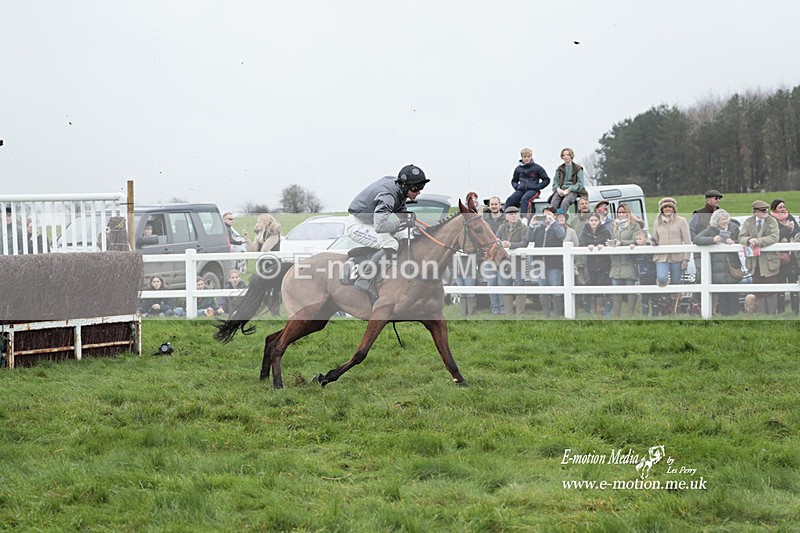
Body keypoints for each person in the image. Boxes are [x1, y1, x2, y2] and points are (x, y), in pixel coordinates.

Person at [346, 164, 427, 301]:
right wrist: (402, 222)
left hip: (373, 219)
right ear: (404, 186)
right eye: (416, 188)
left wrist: (408, 216)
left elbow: (399, 212)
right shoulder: (388, 195)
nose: (419, 191)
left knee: (406, 237)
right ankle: (364, 280)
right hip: (359, 224)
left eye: (421, 187)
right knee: (391, 244)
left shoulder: (399, 189)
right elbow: (381, 226)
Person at [693, 209, 741, 316]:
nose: (724, 221)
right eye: (721, 220)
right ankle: (724, 316)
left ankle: (736, 316)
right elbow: (697, 239)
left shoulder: (734, 228)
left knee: (733, 292)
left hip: (732, 265)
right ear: (716, 221)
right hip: (717, 267)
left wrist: (733, 243)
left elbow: (742, 241)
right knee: (722, 294)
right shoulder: (711, 229)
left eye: (725, 219)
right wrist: (713, 239)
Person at [739, 200, 780, 314]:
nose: (765, 212)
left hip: (769, 262)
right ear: (755, 211)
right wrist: (749, 240)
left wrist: (759, 241)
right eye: (762, 210)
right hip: (754, 262)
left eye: (766, 210)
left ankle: (772, 315)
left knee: (771, 290)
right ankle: (761, 315)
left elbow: (774, 237)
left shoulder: (772, 221)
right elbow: (741, 237)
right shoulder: (748, 222)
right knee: (758, 289)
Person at [525, 206, 566, 317]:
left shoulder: (558, 227)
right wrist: (531, 225)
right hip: (539, 264)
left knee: (556, 288)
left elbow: (562, 235)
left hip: (554, 264)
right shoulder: (538, 228)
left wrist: (553, 223)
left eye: (549, 214)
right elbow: (528, 239)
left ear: (554, 216)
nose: (546, 217)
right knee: (543, 290)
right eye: (544, 215)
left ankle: (557, 314)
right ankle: (546, 314)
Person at [651, 198, 691, 302]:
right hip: (661, 257)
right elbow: (655, 239)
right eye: (665, 207)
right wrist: (653, 242)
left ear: (673, 209)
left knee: (676, 282)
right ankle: (665, 298)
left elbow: (687, 241)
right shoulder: (657, 223)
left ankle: (673, 306)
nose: (667, 209)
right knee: (662, 277)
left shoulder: (681, 221)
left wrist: (686, 259)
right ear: (661, 209)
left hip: (677, 257)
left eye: (670, 207)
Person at [608, 204, 643, 317]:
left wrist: (621, 243)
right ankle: (616, 316)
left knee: (630, 289)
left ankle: (630, 315)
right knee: (616, 290)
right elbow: (610, 238)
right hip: (616, 262)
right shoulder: (613, 225)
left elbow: (636, 240)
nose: (621, 214)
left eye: (623, 212)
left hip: (629, 261)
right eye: (619, 212)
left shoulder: (634, 226)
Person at [579, 213, 612, 316]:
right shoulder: (585, 232)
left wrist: (603, 245)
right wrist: (588, 246)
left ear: (599, 221)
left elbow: (608, 242)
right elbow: (581, 243)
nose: (593, 222)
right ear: (588, 221)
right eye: (592, 220)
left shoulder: (605, 231)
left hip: (604, 263)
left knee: (601, 284)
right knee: (593, 284)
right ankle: (594, 309)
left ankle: (600, 309)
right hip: (591, 263)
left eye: (595, 220)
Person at [769, 199, 799, 314]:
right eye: (780, 207)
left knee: (794, 283)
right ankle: (781, 311)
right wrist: (787, 228)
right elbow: (776, 235)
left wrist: (792, 228)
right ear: (774, 208)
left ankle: (795, 311)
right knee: (780, 284)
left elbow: (797, 231)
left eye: (784, 207)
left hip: (792, 257)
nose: (783, 209)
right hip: (779, 257)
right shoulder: (771, 220)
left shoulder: (790, 217)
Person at [496, 205, 527, 315]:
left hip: (518, 263)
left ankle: (520, 313)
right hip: (505, 263)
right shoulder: (501, 228)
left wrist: (510, 245)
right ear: (506, 216)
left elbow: (524, 243)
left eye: (516, 214)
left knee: (519, 286)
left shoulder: (524, 227)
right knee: (506, 287)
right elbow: (497, 241)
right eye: (511, 214)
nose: (514, 216)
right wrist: (501, 243)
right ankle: (508, 313)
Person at [689, 189, 723, 285]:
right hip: (701, 252)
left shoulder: (721, 214)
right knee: (702, 277)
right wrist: (699, 242)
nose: (718, 200)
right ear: (708, 200)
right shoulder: (698, 214)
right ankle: (696, 299)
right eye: (716, 198)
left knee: (716, 280)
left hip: (717, 254)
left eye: (719, 199)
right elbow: (691, 231)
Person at [505, 148, 550, 221]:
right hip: (521, 190)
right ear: (522, 157)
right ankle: (506, 219)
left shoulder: (537, 168)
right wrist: (517, 187)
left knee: (525, 199)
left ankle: (524, 220)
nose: (527, 158)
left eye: (528, 156)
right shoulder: (518, 169)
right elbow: (514, 181)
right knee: (510, 200)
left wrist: (537, 186)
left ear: (531, 156)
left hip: (533, 190)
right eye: (525, 156)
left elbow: (546, 180)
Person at [549, 147, 586, 212]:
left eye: (568, 155)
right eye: (564, 155)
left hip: (573, 191)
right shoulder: (559, 169)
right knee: (554, 202)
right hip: (561, 190)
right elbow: (555, 182)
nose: (566, 157)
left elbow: (580, 184)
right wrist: (558, 189)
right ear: (562, 157)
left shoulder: (578, 168)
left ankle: (561, 219)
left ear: (571, 156)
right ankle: (552, 220)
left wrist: (568, 190)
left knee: (565, 202)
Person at [631, 230, 659, 316]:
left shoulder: (650, 247)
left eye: (640, 238)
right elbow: (630, 257)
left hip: (652, 273)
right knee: (644, 296)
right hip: (642, 274)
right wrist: (632, 246)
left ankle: (655, 314)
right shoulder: (635, 248)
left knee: (655, 295)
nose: (638, 240)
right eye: (637, 239)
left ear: (646, 238)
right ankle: (645, 314)